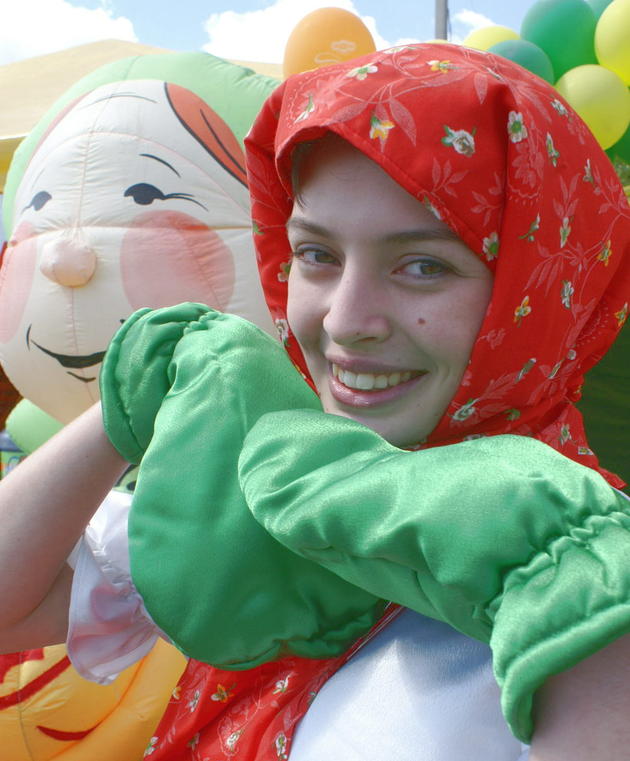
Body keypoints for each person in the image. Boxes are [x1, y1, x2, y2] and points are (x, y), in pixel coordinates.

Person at [1, 43, 629, 761]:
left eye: (424, 265)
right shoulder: (267, 486)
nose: (344, 320)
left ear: (541, 293)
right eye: (316, 255)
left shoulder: (582, 567)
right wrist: (127, 402)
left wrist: (588, 614)